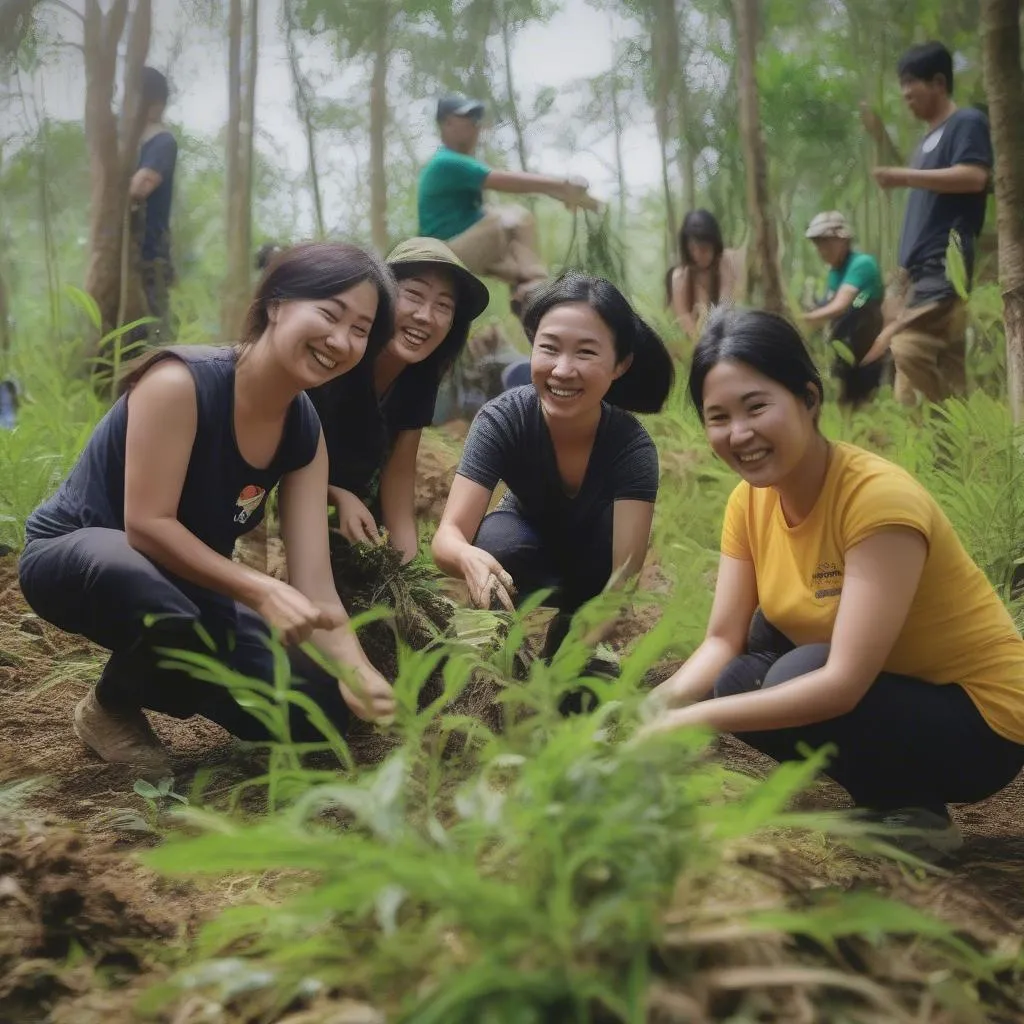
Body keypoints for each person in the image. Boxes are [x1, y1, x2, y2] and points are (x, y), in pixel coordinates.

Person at [644, 309, 1024, 852]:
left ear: (809, 398)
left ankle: (915, 814)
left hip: (984, 723)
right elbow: (721, 640)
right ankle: (892, 801)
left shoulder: (875, 500)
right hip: (896, 692)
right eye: (718, 417)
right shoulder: (748, 502)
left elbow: (842, 681)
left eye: (756, 407)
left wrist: (694, 721)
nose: (740, 433)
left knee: (793, 674)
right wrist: (656, 707)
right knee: (739, 676)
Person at [18, 243, 399, 773]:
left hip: (194, 587)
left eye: (361, 330)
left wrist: (357, 673)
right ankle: (111, 706)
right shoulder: (182, 382)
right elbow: (147, 527)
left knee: (319, 713)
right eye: (330, 314)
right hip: (82, 556)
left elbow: (316, 585)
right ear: (277, 304)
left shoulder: (305, 432)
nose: (341, 340)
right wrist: (261, 587)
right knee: (159, 593)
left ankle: (181, 673)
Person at [432, 273, 675, 664]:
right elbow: (448, 535)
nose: (562, 370)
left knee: (574, 687)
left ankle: (570, 636)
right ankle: (506, 646)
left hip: (594, 568)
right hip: (525, 548)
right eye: (549, 348)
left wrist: (567, 664)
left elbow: (621, 583)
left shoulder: (631, 446)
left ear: (620, 364)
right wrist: (466, 556)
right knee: (494, 542)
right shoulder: (503, 419)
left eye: (586, 352)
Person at [307, 237, 489, 565]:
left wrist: (406, 570)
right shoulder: (335, 358)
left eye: (444, 306)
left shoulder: (419, 377)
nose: (425, 316)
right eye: (414, 295)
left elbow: (399, 477)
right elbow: (280, 459)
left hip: (357, 512)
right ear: (380, 296)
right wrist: (336, 496)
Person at [862, 41, 993, 405]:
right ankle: (956, 452)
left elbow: (974, 176)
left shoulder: (966, 123)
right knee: (923, 379)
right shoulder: (924, 144)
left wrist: (904, 176)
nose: (905, 94)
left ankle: (946, 432)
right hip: (918, 274)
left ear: (938, 82)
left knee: (907, 348)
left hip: (944, 265)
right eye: (901, 84)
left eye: (912, 83)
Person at [417, 95, 598, 317]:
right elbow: (510, 182)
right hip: (445, 254)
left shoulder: (456, 167)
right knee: (514, 217)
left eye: (476, 117)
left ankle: (529, 298)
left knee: (518, 261)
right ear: (447, 123)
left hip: (467, 253)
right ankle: (536, 283)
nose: (474, 124)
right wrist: (564, 184)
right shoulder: (446, 162)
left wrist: (563, 195)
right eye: (466, 116)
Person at [802, 211, 886, 408]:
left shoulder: (861, 264)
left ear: (843, 240)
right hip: (844, 350)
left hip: (867, 346)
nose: (822, 249)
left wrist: (802, 318)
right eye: (818, 243)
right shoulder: (835, 272)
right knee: (846, 404)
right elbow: (828, 303)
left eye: (827, 242)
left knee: (866, 405)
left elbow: (840, 305)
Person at [130, 67, 178, 340]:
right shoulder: (138, 145)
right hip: (135, 255)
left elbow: (141, 186)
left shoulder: (162, 141)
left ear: (154, 103)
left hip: (152, 254)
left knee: (155, 330)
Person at [666, 210, 742, 338]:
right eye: (692, 249)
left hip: (728, 335)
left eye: (704, 249)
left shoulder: (727, 260)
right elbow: (684, 319)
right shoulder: (680, 276)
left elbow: (727, 305)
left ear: (714, 244)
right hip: (697, 344)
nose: (697, 255)